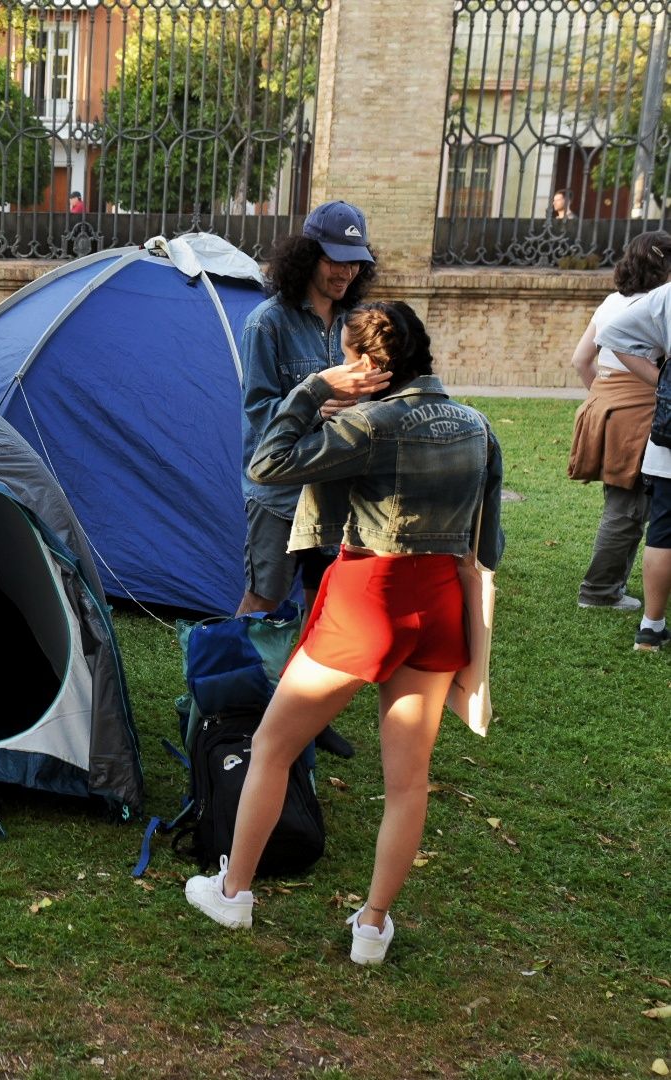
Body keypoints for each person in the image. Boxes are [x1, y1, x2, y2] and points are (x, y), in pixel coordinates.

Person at [186, 301, 503, 966]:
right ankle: (372, 926)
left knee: (273, 745)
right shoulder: (478, 427)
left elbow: (267, 465)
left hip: (368, 600)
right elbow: (489, 540)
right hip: (440, 605)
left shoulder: (366, 423)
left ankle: (234, 891)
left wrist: (310, 390)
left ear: (361, 365)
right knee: (407, 782)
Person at [237, 200, 379, 616]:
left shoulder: (359, 321)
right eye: (336, 260)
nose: (346, 272)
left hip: (337, 488)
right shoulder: (266, 323)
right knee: (264, 599)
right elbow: (259, 413)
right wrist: (316, 404)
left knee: (324, 601)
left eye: (355, 262)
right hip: (279, 494)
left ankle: (295, 683)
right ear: (307, 255)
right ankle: (226, 679)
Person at [566, 231, 671, 611]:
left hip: (606, 404)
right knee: (628, 508)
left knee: (624, 504)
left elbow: (581, 359)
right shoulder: (659, 305)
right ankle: (599, 592)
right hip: (639, 410)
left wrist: (605, 397)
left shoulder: (613, 301)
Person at [590, 274, 671, 650]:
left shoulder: (662, 297)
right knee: (640, 517)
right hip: (650, 422)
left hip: (663, 435)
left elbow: (607, 339)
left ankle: (651, 627)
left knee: (662, 529)